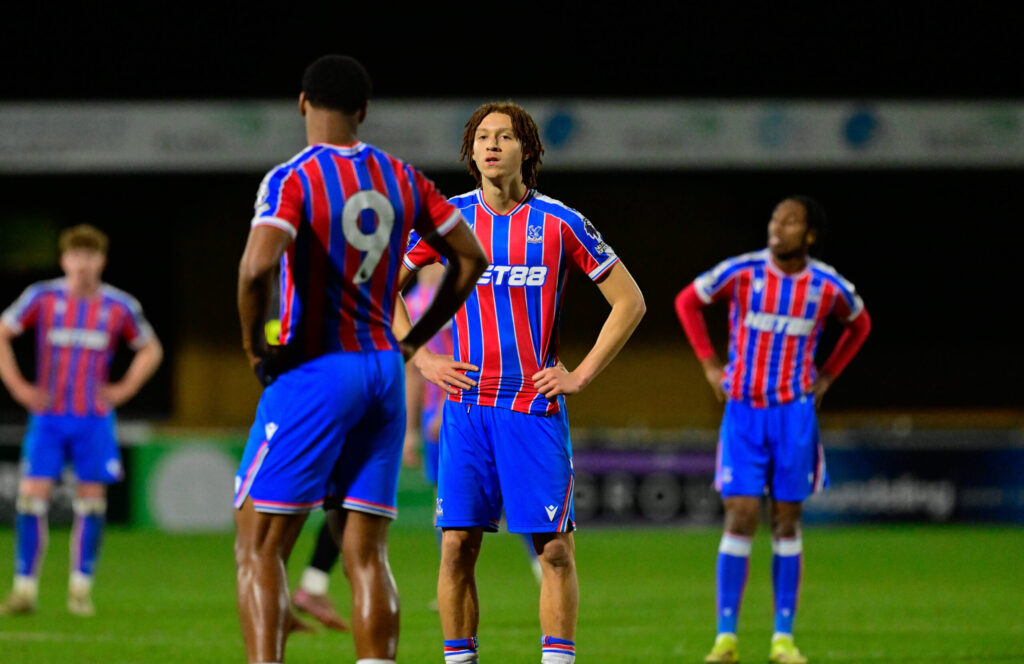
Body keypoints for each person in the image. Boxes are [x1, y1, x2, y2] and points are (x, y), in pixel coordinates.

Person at [233, 54, 486, 664]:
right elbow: (469, 258)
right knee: (367, 554)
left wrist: (253, 344)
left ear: (301, 103)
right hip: (382, 371)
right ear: (364, 112)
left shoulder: (292, 178)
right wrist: (413, 339)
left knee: (260, 546)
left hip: (317, 368)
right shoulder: (403, 177)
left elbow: (256, 267)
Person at [398, 101, 646, 664]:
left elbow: (629, 301)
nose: (491, 145)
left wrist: (580, 374)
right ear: (470, 152)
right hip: (463, 408)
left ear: (526, 150)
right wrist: (423, 359)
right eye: (482, 137)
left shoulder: (561, 222)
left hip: (532, 408)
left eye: (504, 137)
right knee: (457, 546)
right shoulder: (446, 219)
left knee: (554, 550)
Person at [674, 196, 872, 664]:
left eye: (790, 221)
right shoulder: (742, 273)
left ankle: (783, 639)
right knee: (740, 513)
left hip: (794, 414)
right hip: (744, 412)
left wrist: (827, 377)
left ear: (809, 235)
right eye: (774, 218)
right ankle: (726, 638)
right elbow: (687, 302)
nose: (776, 227)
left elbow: (860, 325)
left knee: (786, 519)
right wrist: (707, 365)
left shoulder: (827, 286)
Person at [0, 224, 163, 617]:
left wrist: (124, 388)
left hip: (93, 420)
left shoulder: (118, 306)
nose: (82, 265)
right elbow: (2, 333)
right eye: (76, 256)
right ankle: (24, 588)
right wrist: (19, 386)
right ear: (64, 260)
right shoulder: (42, 297)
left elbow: (150, 348)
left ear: (101, 262)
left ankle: (80, 588)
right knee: (30, 498)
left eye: (90, 257)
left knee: (91, 503)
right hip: (49, 417)